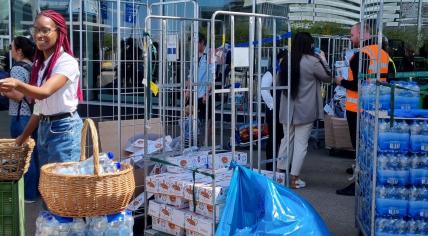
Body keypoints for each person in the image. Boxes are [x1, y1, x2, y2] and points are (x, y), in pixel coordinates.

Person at [0, 10, 83, 168]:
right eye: (36, 30)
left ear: (59, 32)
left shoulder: (67, 62)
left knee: (61, 184)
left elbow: (45, 92)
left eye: (45, 30)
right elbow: (39, 110)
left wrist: (17, 84)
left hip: (64, 128)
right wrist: (21, 139)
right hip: (44, 128)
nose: (39, 35)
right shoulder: (41, 66)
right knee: (48, 184)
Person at [335, 22, 390, 196]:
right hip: (375, 106)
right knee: (369, 145)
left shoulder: (360, 55)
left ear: (362, 33)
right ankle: (363, 173)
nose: (351, 39)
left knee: (359, 146)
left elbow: (357, 85)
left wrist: (339, 81)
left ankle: (359, 182)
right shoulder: (382, 54)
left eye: (352, 35)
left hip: (357, 108)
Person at [277, 32, 332, 189]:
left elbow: (277, 80)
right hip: (305, 110)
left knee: (286, 140)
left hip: (287, 109)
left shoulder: (286, 59)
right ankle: (294, 179)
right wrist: (323, 58)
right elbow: (328, 77)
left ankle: (280, 176)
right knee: (301, 145)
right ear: (310, 45)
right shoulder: (313, 61)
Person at [1, 36, 39, 202]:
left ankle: (28, 195)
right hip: (31, 116)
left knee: (24, 157)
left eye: (11, 48)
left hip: (20, 116)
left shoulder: (17, 69)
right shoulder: (31, 66)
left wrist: (2, 90)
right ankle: (35, 191)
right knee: (34, 155)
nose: (10, 51)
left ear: (19, 50)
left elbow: (17, 95)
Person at [261, 50, 287, 171]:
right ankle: (270, 167)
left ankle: (283, 167)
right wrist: (272, 105)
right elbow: (264, 90)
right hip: (274, 111)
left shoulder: (287, 71)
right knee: (273, 139)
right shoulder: (271, 72)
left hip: (285, 110)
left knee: (284, 139)